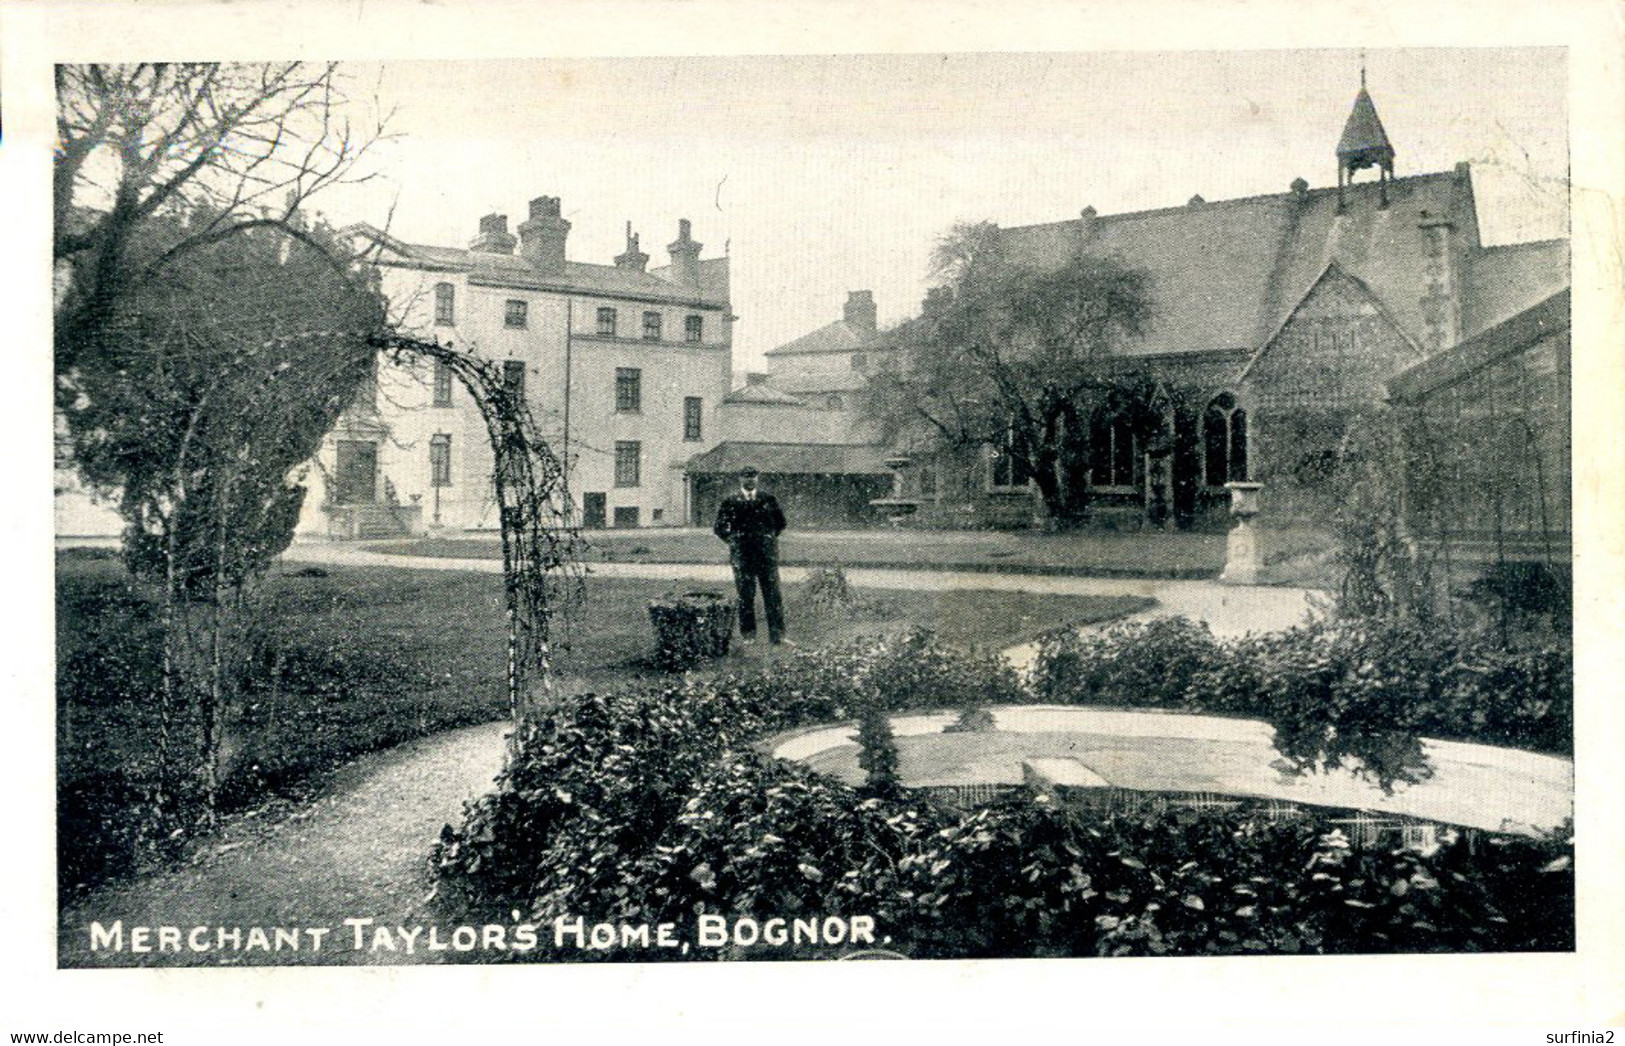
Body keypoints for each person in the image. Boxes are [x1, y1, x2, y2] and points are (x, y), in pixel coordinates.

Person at [713, 465, 788, 645]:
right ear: (740, 479)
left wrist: (768, 539)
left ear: (757, 479)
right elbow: (719, 528)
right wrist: (734, 541)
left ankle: (777, 635)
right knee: (746, 595)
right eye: (746, 477)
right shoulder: (730, 501)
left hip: (766, 556)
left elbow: (781, 523)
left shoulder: (768, 499)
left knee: (773, 595)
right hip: (743, 556)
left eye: (753, 476)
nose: (750, 480)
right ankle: (748, 635)